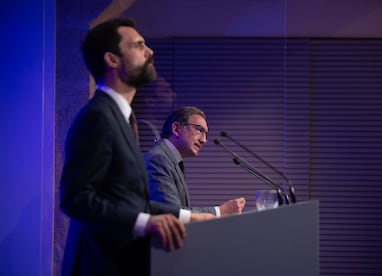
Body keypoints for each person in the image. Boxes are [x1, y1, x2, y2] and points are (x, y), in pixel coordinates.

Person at [59, 18, 213, 276]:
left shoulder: (122, 118)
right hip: (98, 267)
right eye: (139, 45)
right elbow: (76, 199)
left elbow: (131, 202)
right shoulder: (97, 117)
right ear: (113, 60)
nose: (149, 51)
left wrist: (190, 218)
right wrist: (145, 223)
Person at [145, 106, 246, 216]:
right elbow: (172, 212)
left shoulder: (170, 159)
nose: (203, 140)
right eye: (199, 130)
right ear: (176, 129)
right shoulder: (159, 159)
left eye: (206, 134)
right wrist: (220, 211)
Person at [132, 75, 177, 152]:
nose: (174, 95)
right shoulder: (142, 133)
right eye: (167, 91)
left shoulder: (157, 134)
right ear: (150, 100)